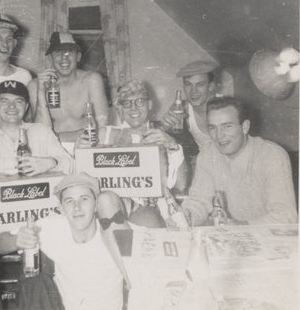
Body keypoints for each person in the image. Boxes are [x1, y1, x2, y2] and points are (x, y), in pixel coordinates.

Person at [0, 80, 73, 309]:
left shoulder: (41, 132)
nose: (12, 106)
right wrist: (13, 164)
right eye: (4, 101)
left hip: (40, 221)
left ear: (27, 107)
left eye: (18, 101)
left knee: (45, 265)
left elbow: (69, 164)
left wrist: (48, 162)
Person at [0, 173, 129, 310]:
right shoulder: (52, 227)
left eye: (84, 199)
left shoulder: (114, 233)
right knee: (33, 278)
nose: (77, 207)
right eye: (69, 201)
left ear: (96, 205)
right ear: (62, 209)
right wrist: (17, 240)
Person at [76, 80, 189, 228]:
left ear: (149, 105)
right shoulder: (105, 134)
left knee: (148, 221)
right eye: (127, 103)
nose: (133, 108)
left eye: (140, 101)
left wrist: (174, 146)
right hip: (110, 202)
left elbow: (181, 185)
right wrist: (79, 152)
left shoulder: (160, 136)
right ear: (120, 109)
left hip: (148, 206)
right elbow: (84, 175)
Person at [181, 96, 298, 225]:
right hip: (230, 237)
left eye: (227, 126)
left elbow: (286, 215)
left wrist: (244, 226)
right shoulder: (208, 154)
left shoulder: (272, 155)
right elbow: (199, 201)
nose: (219, 135)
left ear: (245, 127)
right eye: (213, 128)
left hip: (268, 239)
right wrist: (187, 216)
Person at [28, 31, 109, 151]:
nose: (63, 58)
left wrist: (57, 136)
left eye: (69, 52)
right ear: (50, 58)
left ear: (78, 56)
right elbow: (39, 133)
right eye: (57, 53)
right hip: (52, 150)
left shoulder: (92, 80)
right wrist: (41, 92)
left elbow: (101, 128)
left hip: (86, 146)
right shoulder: (35, 85)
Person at [163, 60, 219, 150]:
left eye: (200, 85)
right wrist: (165, 126)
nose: (193, 91)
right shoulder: (181, 107)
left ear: (211, 86)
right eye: (188, 84)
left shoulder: (223, 107)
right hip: (204, 161)